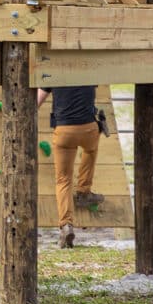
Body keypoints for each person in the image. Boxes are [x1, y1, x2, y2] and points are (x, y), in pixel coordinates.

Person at [37, 86, 105, 249]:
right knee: (91, 150)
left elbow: (36, 101)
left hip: (64, 131)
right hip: (89, 128)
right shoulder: (88, 71)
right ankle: (83, 190)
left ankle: (66, 225)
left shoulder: (53, 75)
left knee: (63, 180)